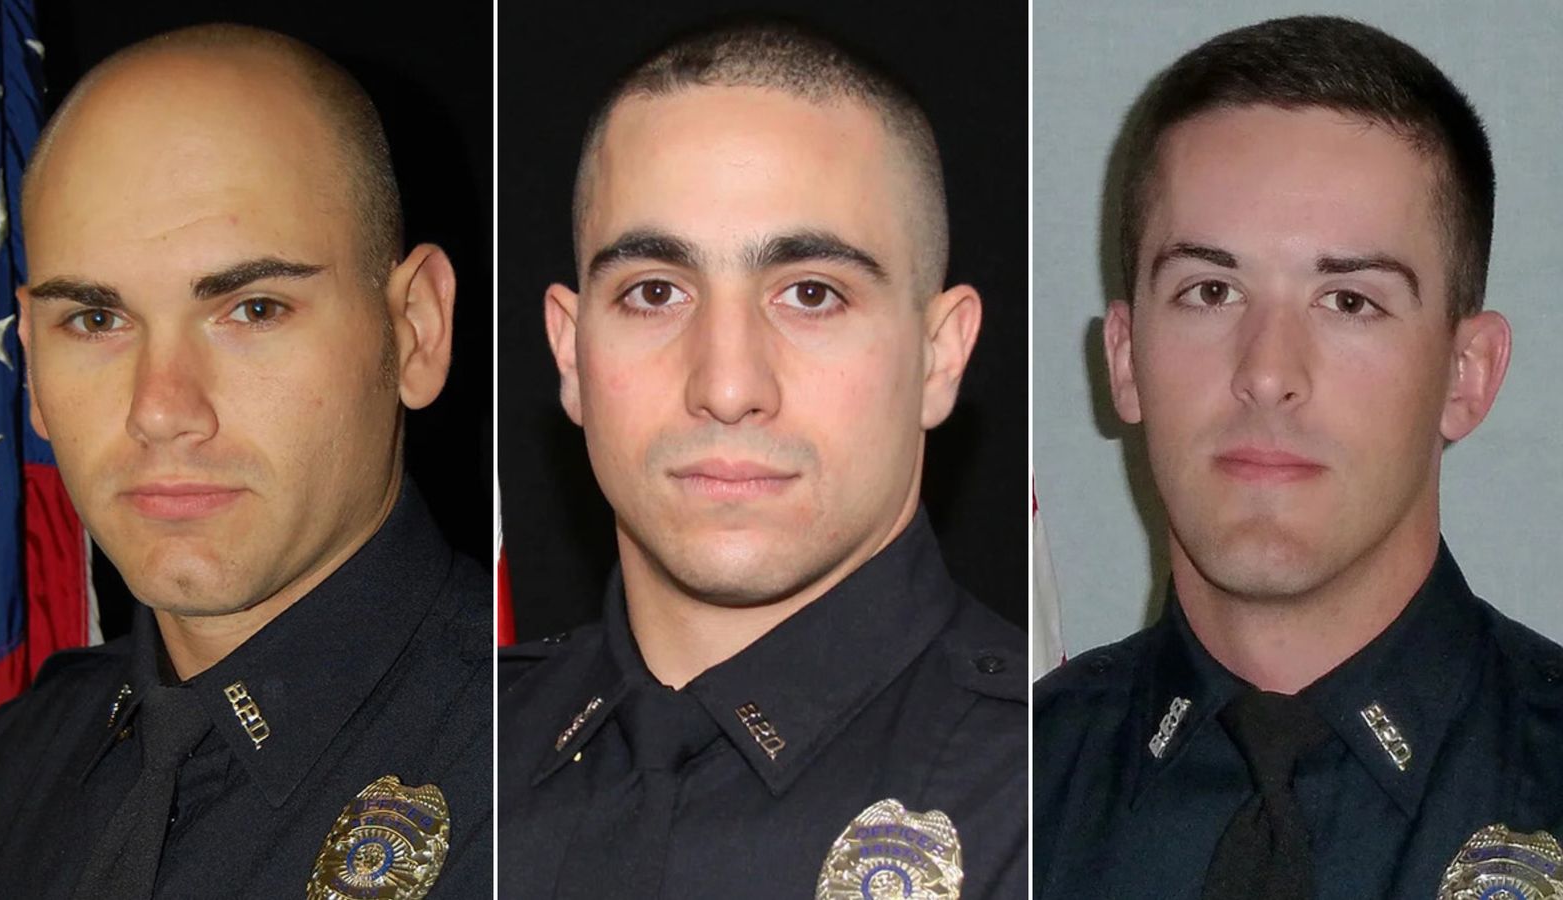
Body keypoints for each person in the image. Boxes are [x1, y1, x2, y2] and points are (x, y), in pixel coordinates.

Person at [1032, 15, 1563, 899]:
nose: (1268, 373)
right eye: (1211, 291)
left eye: (1349, 301)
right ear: (1124, 361)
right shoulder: (1008, 797)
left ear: (1465, 374)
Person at [498, 19, 1027, 899]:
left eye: (811, 294)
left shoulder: (1055, 798)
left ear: (940, 356)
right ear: (570, 352)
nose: (728, 384)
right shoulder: (446, 750)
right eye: (655, 292)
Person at [0, 24, 490, 899]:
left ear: (415, 330)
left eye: (253, 310)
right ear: (30, 366)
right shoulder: (8, 770)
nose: (161, 409)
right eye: (95, 320)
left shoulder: (551, 791)